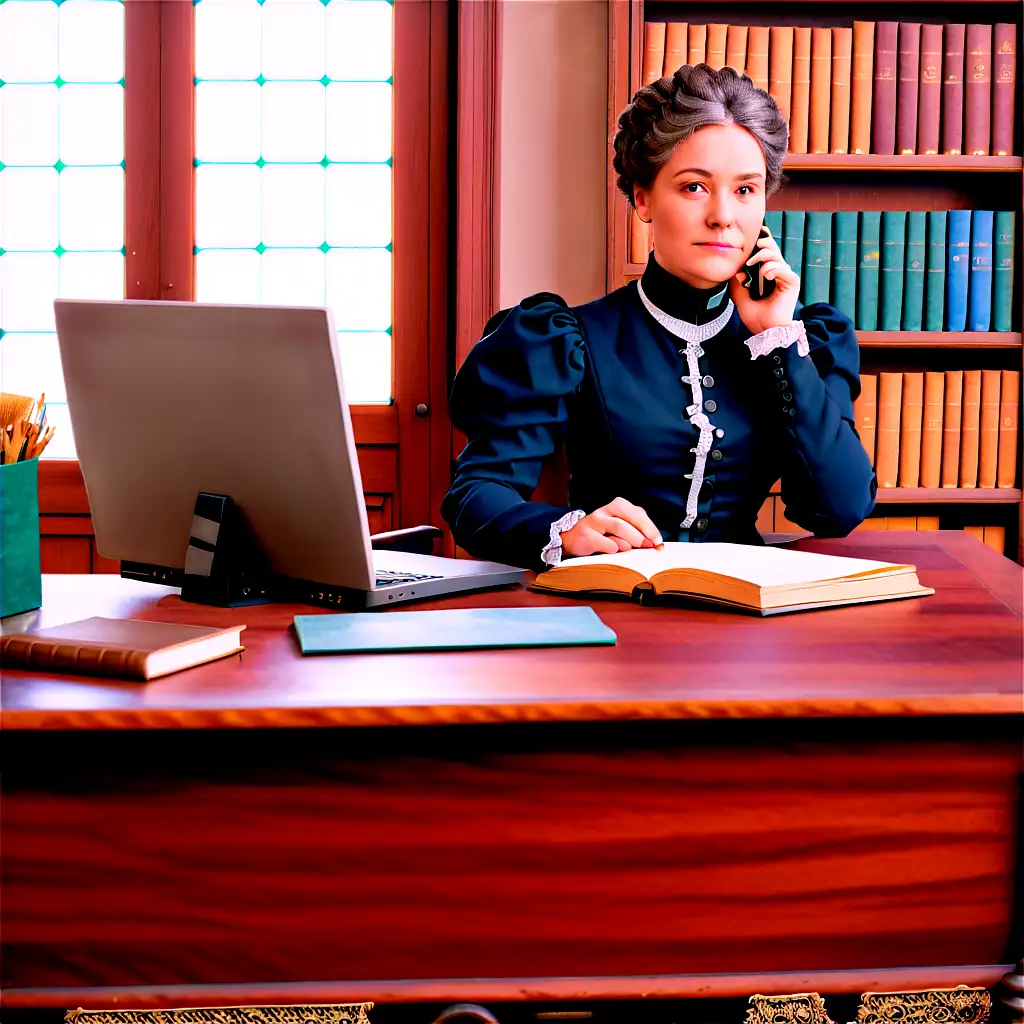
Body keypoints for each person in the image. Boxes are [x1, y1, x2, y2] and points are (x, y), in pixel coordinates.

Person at [441, 64, 876, 570]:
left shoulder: (801, 343)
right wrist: (567, 531)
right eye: (694, 187)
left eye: (745, 190)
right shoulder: (562, 338)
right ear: (643, 197)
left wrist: (779, 338)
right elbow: (476, 496)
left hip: (749, 624)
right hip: (613, 611)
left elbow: (839, 509)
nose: (723, 216)